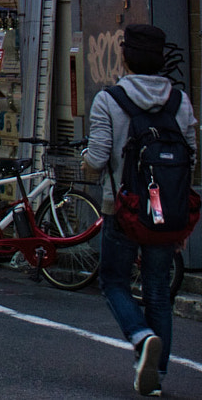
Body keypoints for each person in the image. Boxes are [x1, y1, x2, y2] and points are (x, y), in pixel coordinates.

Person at [84, 25, 199, 397]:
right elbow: (191, 157)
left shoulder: (109, 99)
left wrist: (85, 159)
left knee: (113, 281)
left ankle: (140, 335)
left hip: (122, 209)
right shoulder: (180, 102)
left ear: (125, 57)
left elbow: (98, 159)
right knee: (157, 290)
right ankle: (156, 376)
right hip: (167, 211)